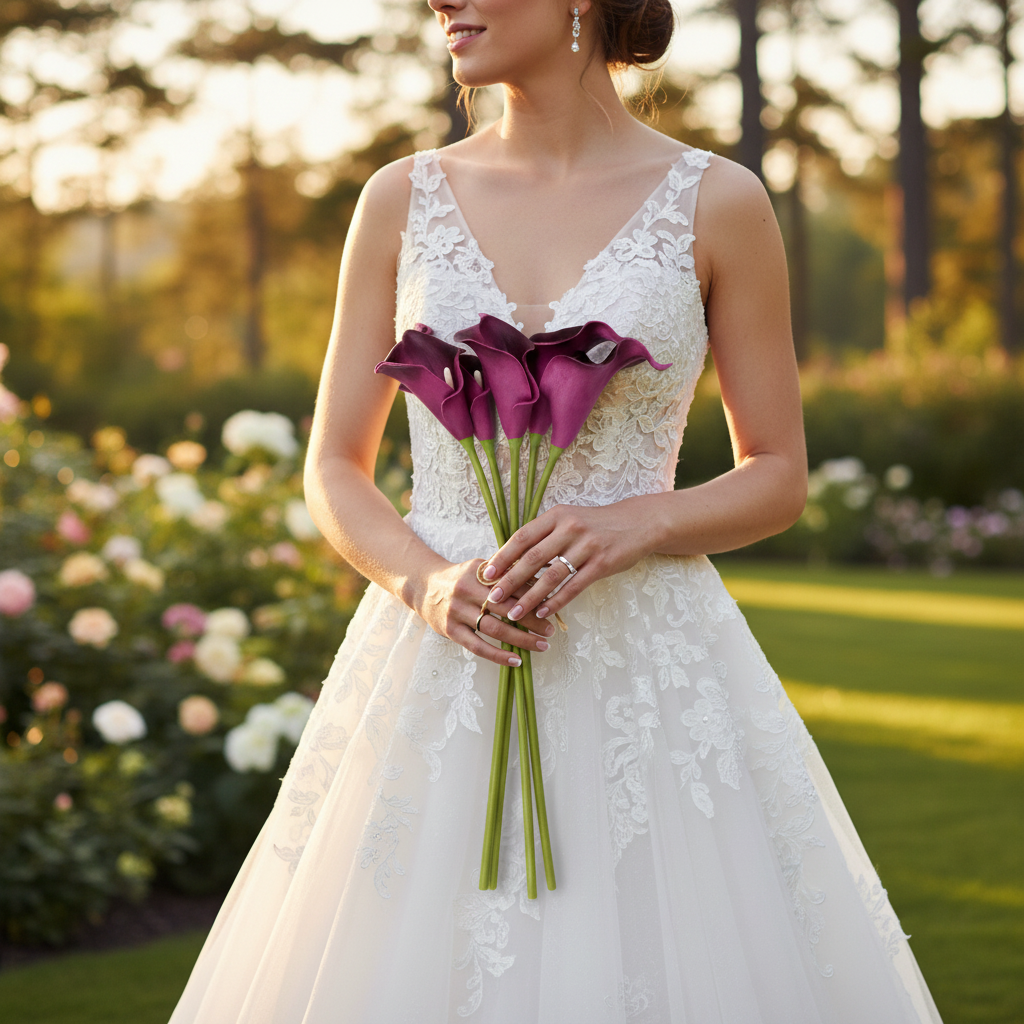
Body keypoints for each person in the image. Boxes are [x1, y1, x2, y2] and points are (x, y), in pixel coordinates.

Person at [169, 1, 943, 1021]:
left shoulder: (719, 202)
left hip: (648, 676)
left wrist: (640, 521)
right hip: (438, 663)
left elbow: (777, 473)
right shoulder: (399, 199)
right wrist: (426, 581)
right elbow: (335, 466)